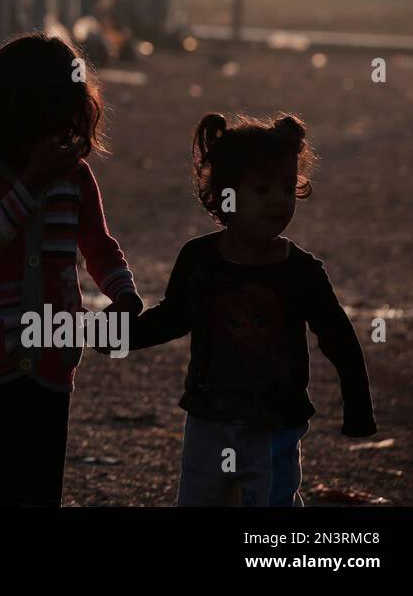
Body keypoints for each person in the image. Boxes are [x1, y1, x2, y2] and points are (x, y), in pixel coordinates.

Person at [129, 112, 376, 506]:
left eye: (285, 186)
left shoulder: (301, 271)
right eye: (262, 189)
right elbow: (173, 317)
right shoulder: (199, 260)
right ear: (224, 195)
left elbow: (339, 338)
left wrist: (358, 407)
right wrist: (116, 337)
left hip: (275, 425)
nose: (278, 200)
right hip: (208, 421)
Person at [0, 32, 142, 506]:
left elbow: (98, 244)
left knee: (37, 490)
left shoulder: (74, 176)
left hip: (52, 355)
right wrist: (32, 181)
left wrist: (124, 293)